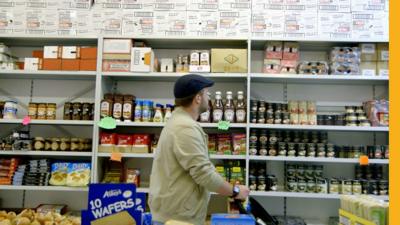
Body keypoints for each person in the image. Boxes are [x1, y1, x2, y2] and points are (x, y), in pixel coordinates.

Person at [148, 74, 250, 225]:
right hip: (177, 219)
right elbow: (204, 174)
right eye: (207, 93)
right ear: (197, 98)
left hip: (175, 213)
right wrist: (235, 191)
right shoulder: (185, 127)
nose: (209, 97)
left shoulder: (179, 122)